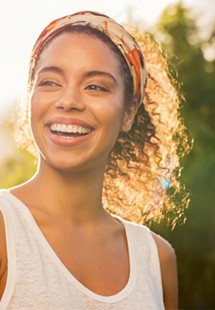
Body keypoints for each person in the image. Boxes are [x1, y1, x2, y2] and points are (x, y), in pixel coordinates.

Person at [0, 10, 189, 309]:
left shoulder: (156, 258)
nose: (69, 101)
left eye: (95, 87)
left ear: (128, 113)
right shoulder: (4, 226)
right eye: (50, 82)